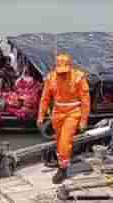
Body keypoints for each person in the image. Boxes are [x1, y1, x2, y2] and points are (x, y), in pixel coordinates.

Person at [37, 53, 90, 184]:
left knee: (65, 141)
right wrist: (41, 116)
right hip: (57, 112)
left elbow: (85, 101)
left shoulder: (78, 78)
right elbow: (45, 98)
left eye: (65, 72)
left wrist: (83, 120)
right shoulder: (51, 78)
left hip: (73, 112)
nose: (62, 74)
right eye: (60, 72)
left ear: (70, 67)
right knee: (59, 140)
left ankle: (63, 169)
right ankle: (62, 161)